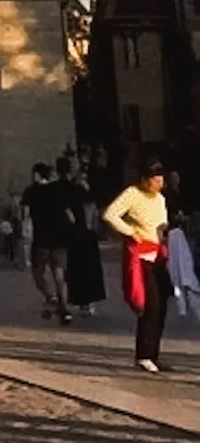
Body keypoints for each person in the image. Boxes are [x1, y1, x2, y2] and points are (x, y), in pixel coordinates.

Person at [103, 162, 170, 373]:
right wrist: (131, 232)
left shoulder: (160, 199)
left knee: (163, 304)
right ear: (145, 179)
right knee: (150, 306)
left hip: (159, 255)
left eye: (161, 179)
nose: (160, 184)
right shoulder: (132, 194)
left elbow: (162, 222)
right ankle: (143, 354)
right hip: (141, 258)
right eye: (155, 179)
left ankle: (154, 353)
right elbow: (110, 214)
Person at [21, 161, 78, 324]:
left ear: (36, 175)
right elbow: (70, 215)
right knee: (59, 275)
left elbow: (24, 214)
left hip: (42, 238)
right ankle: (64, 310)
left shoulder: (31, 191)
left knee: (37, 272)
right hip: (60, 238)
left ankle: (50, 297)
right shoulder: (58, 190)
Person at [60, 158, 105, 314]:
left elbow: (89, 211)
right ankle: (85, 301)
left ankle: (84, 301)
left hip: (81, 233)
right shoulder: (78, 191)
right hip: (83, 233)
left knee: (82, 269)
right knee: (83, 269)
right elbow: (91, 211)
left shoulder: (76, 190)